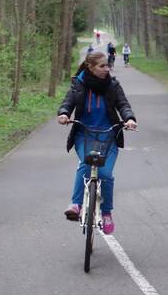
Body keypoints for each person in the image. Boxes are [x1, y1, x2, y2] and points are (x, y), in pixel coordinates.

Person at [57, 50, 138, 235]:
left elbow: (123, 104)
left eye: (107, 65)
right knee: (86, 164)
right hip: (84, 134)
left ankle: (107, 212)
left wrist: (129, 118)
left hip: (108, 136)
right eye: (102, 66)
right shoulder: (79, 84)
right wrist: (63, 113)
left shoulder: (113, 85)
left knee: (106, 174)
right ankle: (76, 204)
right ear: (90, 67)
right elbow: (68, 101)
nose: (106, 69)